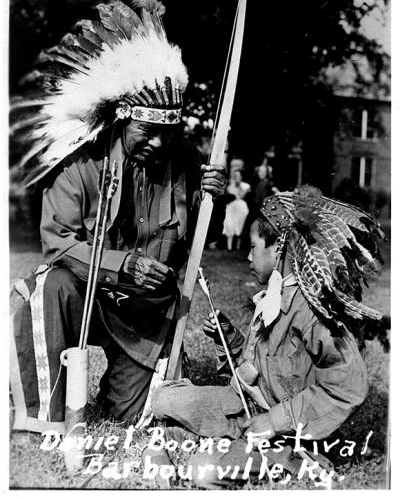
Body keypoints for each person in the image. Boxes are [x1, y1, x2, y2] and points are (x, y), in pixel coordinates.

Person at [9, 0, 226, 435]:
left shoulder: (183, 164)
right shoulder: (78, 164)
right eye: (148, 131)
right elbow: (58, 243)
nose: (160, 144)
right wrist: (122, 265)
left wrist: (211, 204)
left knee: (144, 418)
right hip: (85, 297)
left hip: (147, 314)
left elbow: (202, 240)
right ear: (122, 120)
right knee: (47, 287)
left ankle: (122, 391)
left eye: (169, 133)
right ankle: (40, 417)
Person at [149, 185, 384, 489]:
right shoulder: (274, 295)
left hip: (291, 433)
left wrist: (275, 421)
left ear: (279, 248)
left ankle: (295, 462)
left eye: (253, 247)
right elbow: (261, 367)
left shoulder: (314, 314)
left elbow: (348, 386)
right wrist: (230, 339)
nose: (247, 255)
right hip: (247, 406)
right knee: (163, 399)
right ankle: (223, 437)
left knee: (204, 469)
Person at [222, 169, 251, 250]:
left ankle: (238, 245)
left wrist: (239, 187)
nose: (236, 177)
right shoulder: (230, 187)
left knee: (239, 223)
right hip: (231, 207)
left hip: (241, 207)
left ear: (241, 176)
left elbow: (241, 197)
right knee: (229, 222)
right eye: (235, 176)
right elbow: (228, 199)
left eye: (238, 175)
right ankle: (229, 246)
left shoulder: (246, 186)